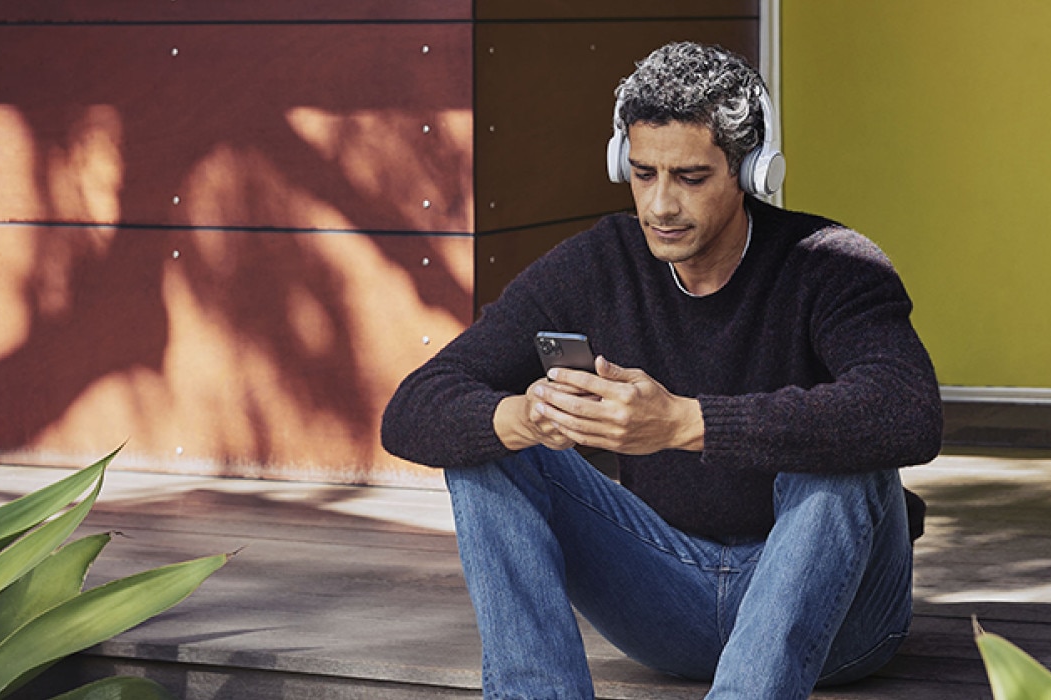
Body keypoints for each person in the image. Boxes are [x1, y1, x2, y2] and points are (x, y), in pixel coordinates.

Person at [380, 41, 943, 699]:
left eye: (691, 178)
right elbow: (413, 408)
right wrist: (527, 414)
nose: (661, 206)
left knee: (844, 453)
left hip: (841, 625)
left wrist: (685, 422)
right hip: (666, 599)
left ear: (753, 171)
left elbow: (909, 410)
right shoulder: (601, 262)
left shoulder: (830, 263)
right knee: (486, 438)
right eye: (643, 174)